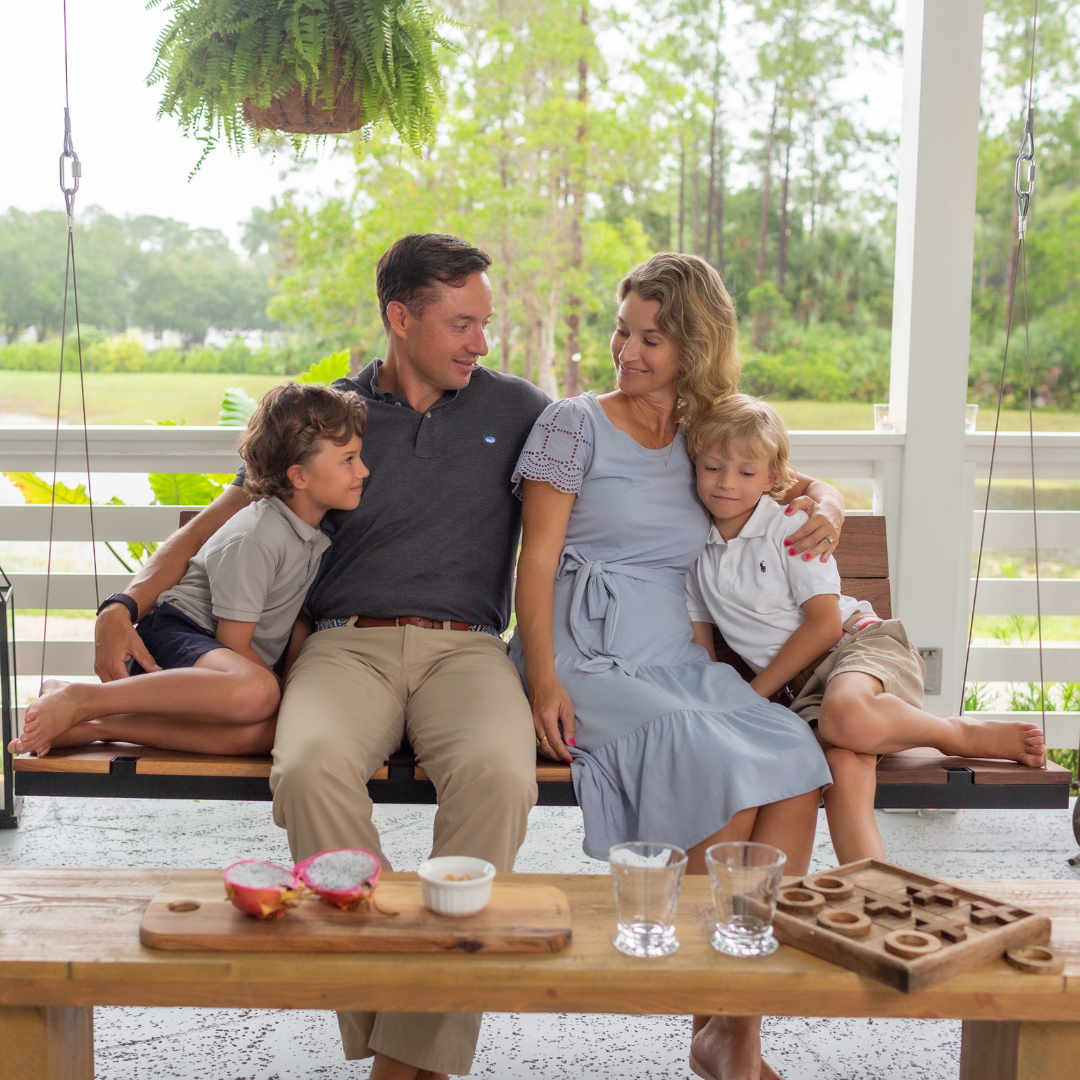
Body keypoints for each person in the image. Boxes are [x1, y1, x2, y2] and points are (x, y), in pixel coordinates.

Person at [92, 233, 552, 1080]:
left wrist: (803, 489)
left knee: (501, 775)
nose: (479, 343)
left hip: (469, 650)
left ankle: (404, 1061)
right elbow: (206, 525)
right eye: (461, 323)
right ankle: (403, 1017)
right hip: (344, 646)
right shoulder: (328, 414)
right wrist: (126, 601)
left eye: (484, 323)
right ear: (400, 317)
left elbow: (654, 445)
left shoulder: (520, 409)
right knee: (304, 769)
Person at [511, 252, 838, 1080]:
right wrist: (543, 677)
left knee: (796, 761)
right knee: (714, 760)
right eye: (623, 331)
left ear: (695, 345)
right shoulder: (570, 423)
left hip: (673, 654)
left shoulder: (708, 429)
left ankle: (733, 1022)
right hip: (585, 650)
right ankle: (719, 1017)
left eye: (652, 337)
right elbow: (538, 561)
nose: (628, 351)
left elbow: (793, 481)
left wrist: (827, 502)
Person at [684, 393, 1047, 865]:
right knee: (841, 759)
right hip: (806, 692)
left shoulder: (791, 528)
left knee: (846, 717)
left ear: (773, 479)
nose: (726, 483)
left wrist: (752, 696)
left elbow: (824, 626)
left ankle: (956, 733)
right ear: (694, 467)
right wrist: (718, 707)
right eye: (712, 468)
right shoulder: (693, 554)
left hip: (860, 645)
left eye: (745, 472)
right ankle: (872, 887)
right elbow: (700, 645)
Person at [9, 383, 367, 759]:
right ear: (299, 476)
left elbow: (295, 622)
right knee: (260, 692)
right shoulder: (259, 535)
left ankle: (97, 725)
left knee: (277, 730)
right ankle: (84, 697)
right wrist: (282, 689)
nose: (364, 470)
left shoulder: (309, 534)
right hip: (176, 636)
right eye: (349, 459)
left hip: (218, 662)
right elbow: (234, 643)